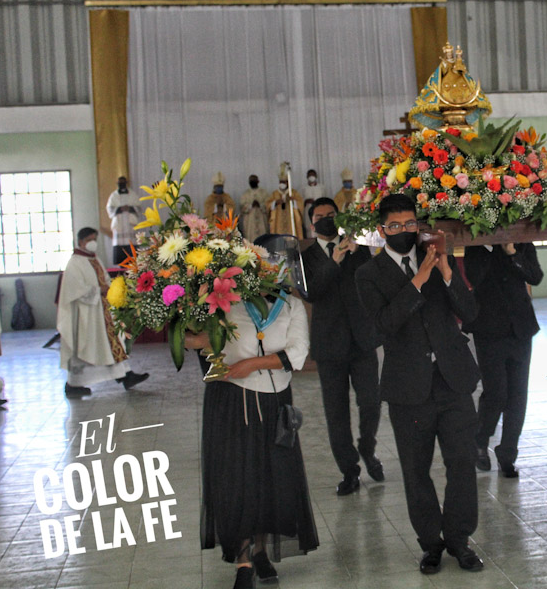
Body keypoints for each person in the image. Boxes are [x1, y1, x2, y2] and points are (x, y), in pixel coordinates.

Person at [355, 193, 484, 575]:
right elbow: (382, 326)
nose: (404, 231)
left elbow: (470, 312)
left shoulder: (438, 257)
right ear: (382, 231)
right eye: (395, 226)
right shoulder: (368, 274)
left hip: (452, 380)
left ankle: (459, 539)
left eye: (410, 224)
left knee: (462, 463)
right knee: (416, 470)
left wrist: (445, 272)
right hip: (408, 388)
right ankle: (431, 544)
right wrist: (419, 279)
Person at [187, 236, 318, 589]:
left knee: (270, 479)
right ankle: (243, 560)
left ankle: (261, 551)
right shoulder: (226, 299)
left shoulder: (291, 304)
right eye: (267, 261)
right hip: (232, 401)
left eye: (281, 262)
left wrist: (252, 364)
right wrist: (187, 332)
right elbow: (199, 339)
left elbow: (298, 352)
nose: (275, 268)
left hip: (275, 402)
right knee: (237, 479)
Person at [300, 198, 383, 496]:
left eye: (331, 215)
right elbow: (310, 292)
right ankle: (350, 470)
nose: (326, 219)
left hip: (362, 340)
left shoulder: (357, 248)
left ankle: (367, 447)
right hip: (329, 345)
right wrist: (333, 262)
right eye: (319, 216)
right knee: (336, 413)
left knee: (371, 402)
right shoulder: (305, 257)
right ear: (312, 225)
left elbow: (373, 280)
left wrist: (356, 252)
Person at [463, 243, 543, 477]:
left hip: (520, 327)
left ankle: (508, 454)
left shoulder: (521, 244)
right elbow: (475, 278)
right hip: (488, 328)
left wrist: (512, 253)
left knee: (518, 395)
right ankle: (480, 440)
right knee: (496, 393)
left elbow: (535, 276)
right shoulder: (477, 247)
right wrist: (491, 246)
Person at [56, 227, 149, 398]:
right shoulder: (75, 263)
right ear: (81, 241)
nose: (93, 243)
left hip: (102, 310)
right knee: (88, 347)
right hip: (86, 315)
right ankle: (73, 384)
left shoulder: (94, 258)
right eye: (89, 239)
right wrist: (99, 290)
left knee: (112, 343)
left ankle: (125, 376)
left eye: (95, 239)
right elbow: (74, 290)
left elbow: (105, 279)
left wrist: (111, 288)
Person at [105, 176, 141, 265]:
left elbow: (139, 207)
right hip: (119, 223)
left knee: (131, 244)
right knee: (119, 244)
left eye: (123, 183)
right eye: (120, 183)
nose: (121, 184)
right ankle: (121, 263)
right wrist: (119, 209)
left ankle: (133, 262)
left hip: (130, 224)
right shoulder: (114, 195)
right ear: (117, 184)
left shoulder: (132, 194)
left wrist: (130, 208)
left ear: (126, 183)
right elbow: (109, 208)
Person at [269, 170, 305, 239]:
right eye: (281, 182)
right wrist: (275, 203)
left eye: (284, 182)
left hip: (291, 220)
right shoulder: (275, 193)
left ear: (288, 182)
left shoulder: (293, 193)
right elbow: (268, 205)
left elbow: (300, 204)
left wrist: (293, 201)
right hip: (279, 222)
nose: (282, 184)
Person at [239, 174, 270, 244]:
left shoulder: (263, 193)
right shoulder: (246, 194)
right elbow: (242, 206)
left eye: (254, 180)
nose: (252, 182)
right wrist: (250, 205)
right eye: (251, 181)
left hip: (261, 219)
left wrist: (260, 205)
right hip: (250, 221)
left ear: (258, 181)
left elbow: (268, 204)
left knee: (263, 241)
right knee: (251, 240)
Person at [300, 169, 325, 237]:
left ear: (316, 176)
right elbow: (300, 201)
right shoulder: (303, 188)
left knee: (320, 226)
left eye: (313, 175)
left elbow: (325, 199)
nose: (311, 177)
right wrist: (306, 201)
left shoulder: (321, 187)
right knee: (309, 227)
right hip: (308, 209)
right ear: (307, 177)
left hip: (319, 209)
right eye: (310, 175)